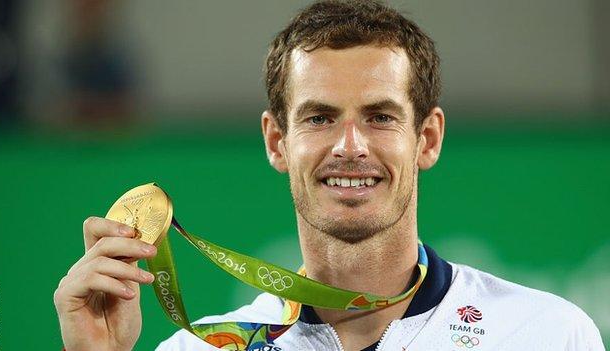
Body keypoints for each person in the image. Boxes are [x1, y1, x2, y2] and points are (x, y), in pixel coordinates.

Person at [53, 1, 606, 350]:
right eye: (319, 118)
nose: (349, 146)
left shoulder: (548, 334)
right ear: (277, 141)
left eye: (380, 117)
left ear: (428, 139)